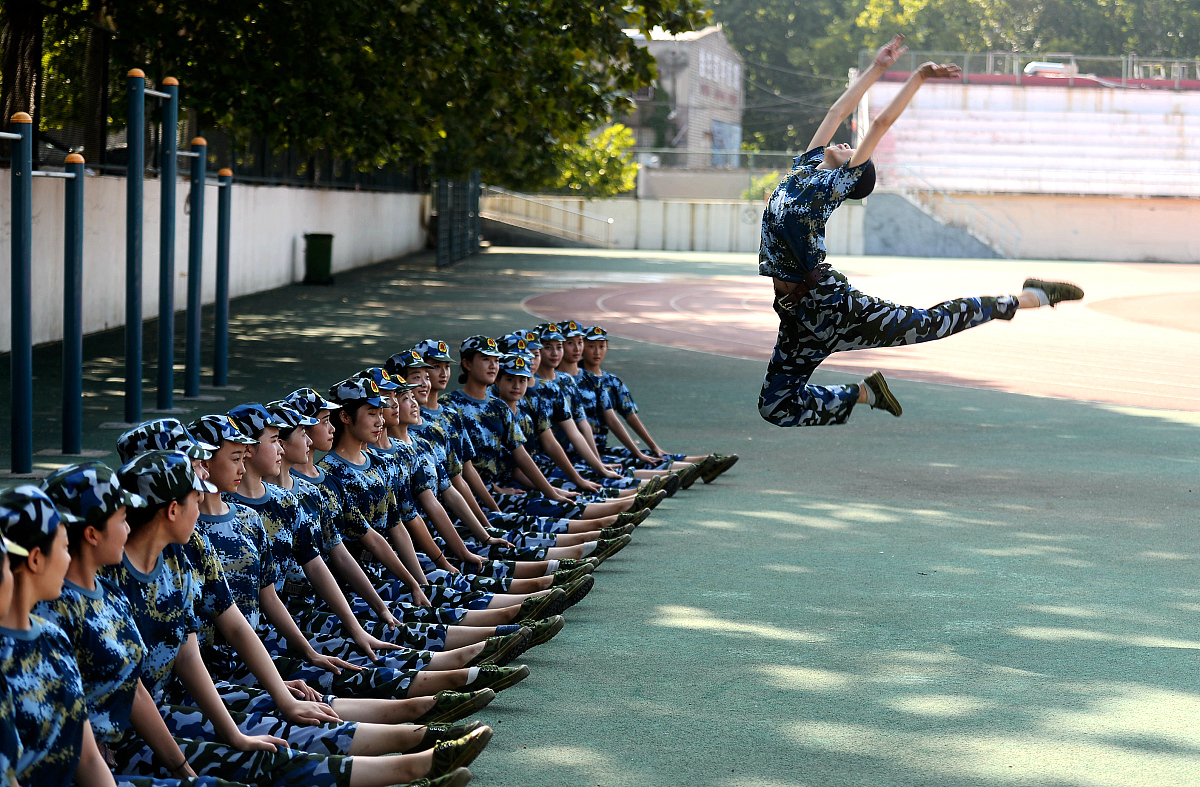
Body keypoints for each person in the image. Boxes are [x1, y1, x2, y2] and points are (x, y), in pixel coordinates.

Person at [757, 34, 1085, 427]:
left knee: (931, 323)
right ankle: (863, 393)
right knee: (775, 408)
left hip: (832, 306)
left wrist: (919, 77)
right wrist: (877, 67)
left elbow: (880, 123)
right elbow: (836, 111)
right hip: (797, 317)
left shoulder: (832, 186)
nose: (845, 144)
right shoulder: (805, 167)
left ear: (851, 174)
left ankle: (1030, 297)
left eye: (852, 152)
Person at [577, 325, 737, 484]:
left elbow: (629, 416)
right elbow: (610, 422)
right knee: (635, 461)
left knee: (651, 455)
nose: (597, 352)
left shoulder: (612, 381)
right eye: (591, 346)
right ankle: (691, 469)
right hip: (583, 450)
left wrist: (654, 446)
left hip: (600, 447)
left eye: (602, 346)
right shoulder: (574, 380)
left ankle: (703, 462)